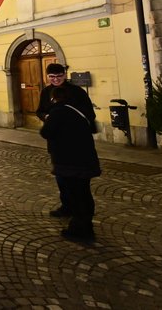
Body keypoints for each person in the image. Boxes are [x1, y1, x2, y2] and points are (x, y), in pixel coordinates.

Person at [40, 86, 101, 242]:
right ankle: (86, 226)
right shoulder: (80, 111)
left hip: (69, 160)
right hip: (85, 158)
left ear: (55, 98)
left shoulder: (58, 112)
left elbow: (46, 132)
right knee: (84, 193)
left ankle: (80, 229)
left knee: (75, 194)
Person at [36, 63, 96, 218]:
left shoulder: (77, 92)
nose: (55, 79)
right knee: (61, 177)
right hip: (57, 142)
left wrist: (63, 119)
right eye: (52, 77)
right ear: (47, 77)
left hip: (76, 142)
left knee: (79, 181)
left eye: (59, 76)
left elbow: (89, 114)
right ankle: (67, 205)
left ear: (64, 75)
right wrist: (46, 117)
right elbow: (40, 111)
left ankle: (79, 215)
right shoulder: (46, 91)